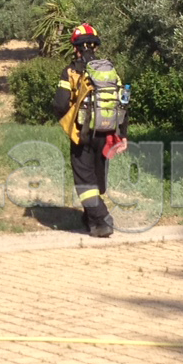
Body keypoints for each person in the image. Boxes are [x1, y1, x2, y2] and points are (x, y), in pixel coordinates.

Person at [53, 23, 128, 238]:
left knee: (84, 180)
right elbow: (123, 103)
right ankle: (91, 221)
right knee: (96, 176)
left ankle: (102, 219)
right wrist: (123, 135)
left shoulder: (71, 71)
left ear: (75, 47)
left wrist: (68, 120)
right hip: (108, 132)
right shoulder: (110, 71)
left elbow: (60, 104)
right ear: (95, 46)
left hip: (82, 134)